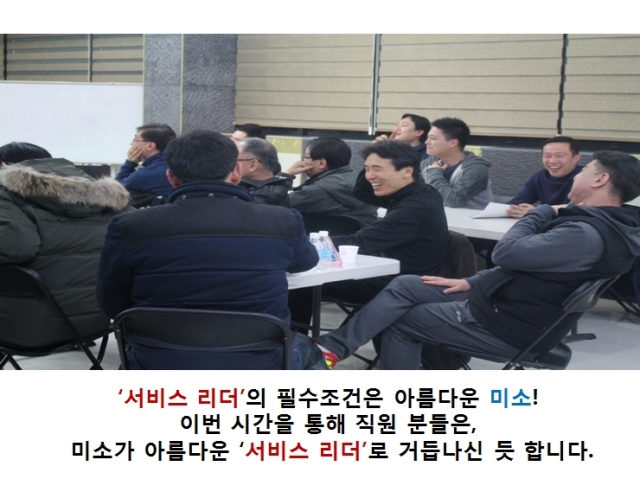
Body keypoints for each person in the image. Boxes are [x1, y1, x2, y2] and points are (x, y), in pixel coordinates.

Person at [315, 151, 640, 369]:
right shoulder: (605, 226)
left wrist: (540, 212)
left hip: (507, 324)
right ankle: (331, 348)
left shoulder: (582, 234)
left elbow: (505, 254)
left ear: (600, 180)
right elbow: (528, 270)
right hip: (504, 303)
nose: (577, 175)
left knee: (402, 320)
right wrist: (470, 281)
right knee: (407, 285)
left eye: (584, 170)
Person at [97, 130, 325, 370]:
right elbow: (306, 262)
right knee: (309, 347)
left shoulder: (131, 225)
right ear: (236, 172)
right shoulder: (282, 220)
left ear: (171, 178)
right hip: (259, 361)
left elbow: (111, 302)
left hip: (157, 360)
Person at [289, 140, 449, 328]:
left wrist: (303, 245)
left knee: (299, 280)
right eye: (367, 169)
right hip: (389, 268)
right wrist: (374, 161)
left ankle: (294, 340)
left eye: (377, 169)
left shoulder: (414, 208)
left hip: (397, 282)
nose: (370, 176)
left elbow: (360, 241)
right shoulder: (422, 192)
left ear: (407, 171)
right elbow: (362, 193)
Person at [0, 142, 130, 348]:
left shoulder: (6, 196)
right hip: (97, 322)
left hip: (28, 328)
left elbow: (17, 248)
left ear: (4, 165)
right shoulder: (111, 198)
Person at [286, 137, 379, 227]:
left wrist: (286, 175)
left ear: (321, 163)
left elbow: (278, 204)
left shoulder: (316, 191)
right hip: (364, 235)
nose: (303, 162)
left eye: (306, 157)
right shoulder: (363, 182)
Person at [422, 117, 493, 209]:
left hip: (471, 216)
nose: (426, 142)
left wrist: (434, 174)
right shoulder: (427, 164)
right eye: (427, 137)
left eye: (433, 138)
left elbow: (455, 201)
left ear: (453, 143)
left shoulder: (476, 169)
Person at [507, 136, 583, 218]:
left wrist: (538, 212)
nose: (552, 161)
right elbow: (515, 204)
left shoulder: (585, 178)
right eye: (547, 156)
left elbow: (583, 209)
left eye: (559, 155)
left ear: (576, 158)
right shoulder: (540, 177)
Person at [115, 123, 176, 207]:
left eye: (135, 140)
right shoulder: (175, 162)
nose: (131, 143)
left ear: (150, 146)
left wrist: (130, 163)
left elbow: (114, 191)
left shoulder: (147, 173)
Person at [237, 138, 292, 207]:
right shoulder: (245, 184)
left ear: (252, 165)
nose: (231, 163)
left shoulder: (269, 194)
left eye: (235, 159)